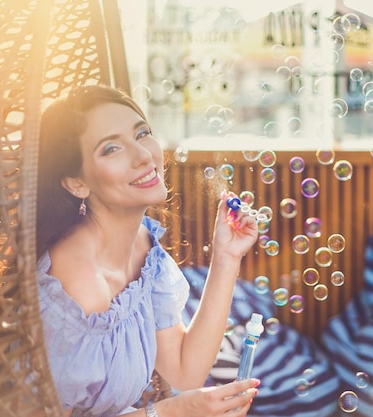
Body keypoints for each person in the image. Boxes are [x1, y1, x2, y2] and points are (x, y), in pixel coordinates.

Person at [36, 84, 260, 417]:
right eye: (111, 148)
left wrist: (227, 257)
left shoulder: (142, 247)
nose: (143, 155)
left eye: (142, 133)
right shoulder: (80, 285)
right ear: (76, 183)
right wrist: (167, 413)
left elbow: (186, 370)